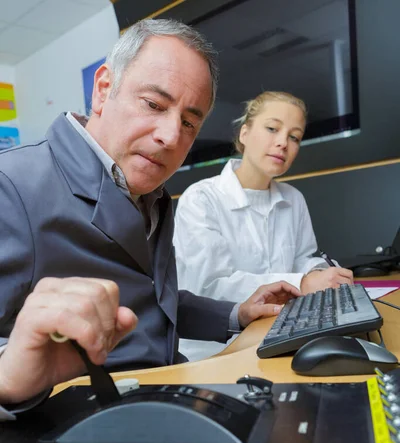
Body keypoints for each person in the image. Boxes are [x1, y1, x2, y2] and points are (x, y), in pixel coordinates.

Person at [0, 21, 300, 408]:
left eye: (189, 123)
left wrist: (235, 313)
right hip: (80, 421)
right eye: (154, 105)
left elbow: (153, 301)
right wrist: (8, 378)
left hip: (165, 390)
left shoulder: (149, 193)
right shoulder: (11, 185)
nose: (171, 137)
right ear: (104, 88)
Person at [173, 91, 353, 359]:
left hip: (280, 333)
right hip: (217, 350)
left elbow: (303, 258)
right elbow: (209, 286)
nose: (283, 143)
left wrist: (320, 272)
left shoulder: (293, 199)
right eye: (272, 128)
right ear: (244, 133)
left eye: (294, 137)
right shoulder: (200, 199)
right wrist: (303, 283)